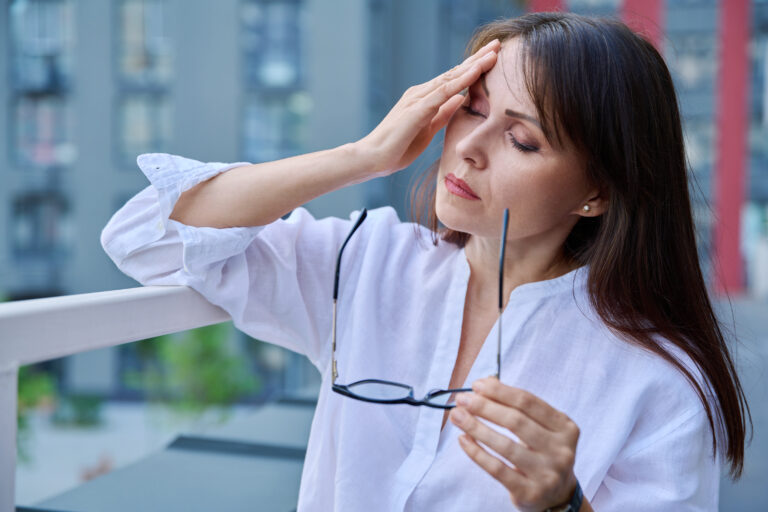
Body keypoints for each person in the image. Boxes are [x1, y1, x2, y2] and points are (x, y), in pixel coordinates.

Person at [101, 12, 749, 512]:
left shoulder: (658, 379)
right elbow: (143, 236)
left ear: (597, 192)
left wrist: (563, 503)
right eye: (470, 109)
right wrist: (364, 155)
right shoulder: (368, 262)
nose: (468, 147)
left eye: (521, 138)